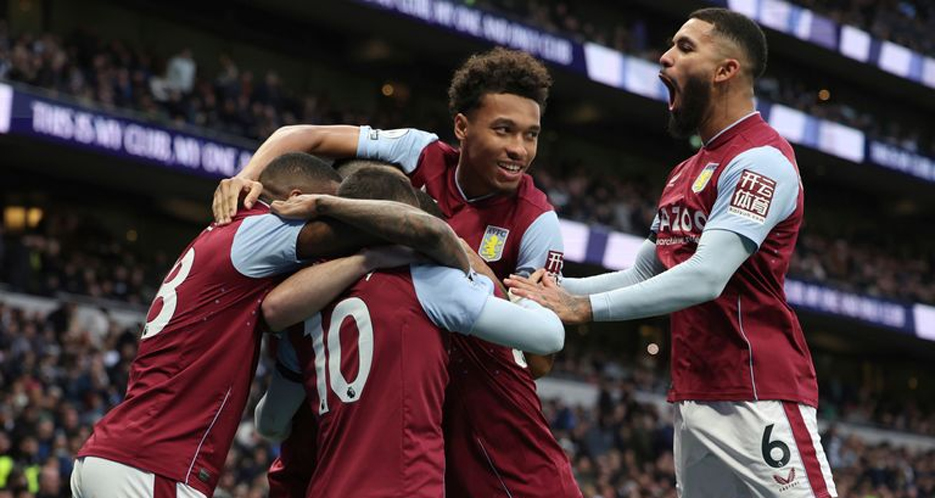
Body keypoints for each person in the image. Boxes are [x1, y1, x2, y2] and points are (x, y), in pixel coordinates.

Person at [215, 47, 580, 497]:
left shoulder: (537, 222)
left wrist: (456, 257)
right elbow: (305, 137)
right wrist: (246, 177)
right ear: (462, 127)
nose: (519, 150)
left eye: (531, 135)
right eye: (504, 130)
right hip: (402, 401)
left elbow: (539, 360)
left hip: (480, 410)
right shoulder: (419, 152)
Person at [507, 8, 837, 498]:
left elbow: (706, 277)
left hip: (757, 394)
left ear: (726, 70)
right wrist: (549, 292)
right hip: (693, 398)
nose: (664, 57)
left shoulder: (762, 160)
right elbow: (645, 270)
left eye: (684, 47)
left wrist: (583, 308)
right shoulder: (684, 172)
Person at [71, 152, 469, 497]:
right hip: (153, 465)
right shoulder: (263, 229)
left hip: (116, 453)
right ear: (297, 199)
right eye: (325, 200)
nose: (330, 206)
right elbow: (391, 229)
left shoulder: (225, 236)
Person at [254, 166, 565, 497]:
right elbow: (549, 337)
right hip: (408, 488)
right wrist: (524, 298)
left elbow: (269, 423)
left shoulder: (304, 305)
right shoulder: (427, 281)